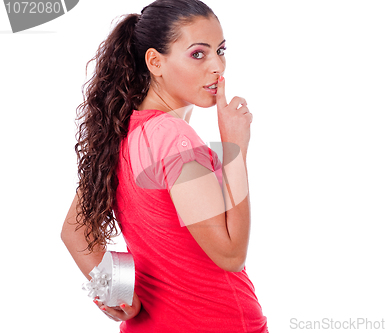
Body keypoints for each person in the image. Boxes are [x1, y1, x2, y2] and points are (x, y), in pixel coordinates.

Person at [60, 0, 268, 332]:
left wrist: (119, 292)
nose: (217, 66)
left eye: (221, 50)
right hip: (217, 322)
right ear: (155, 61)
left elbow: (74, 230)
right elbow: (230, 254)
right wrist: (236, 149)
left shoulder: (123, 131)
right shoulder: (174, 139)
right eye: (198, 54)